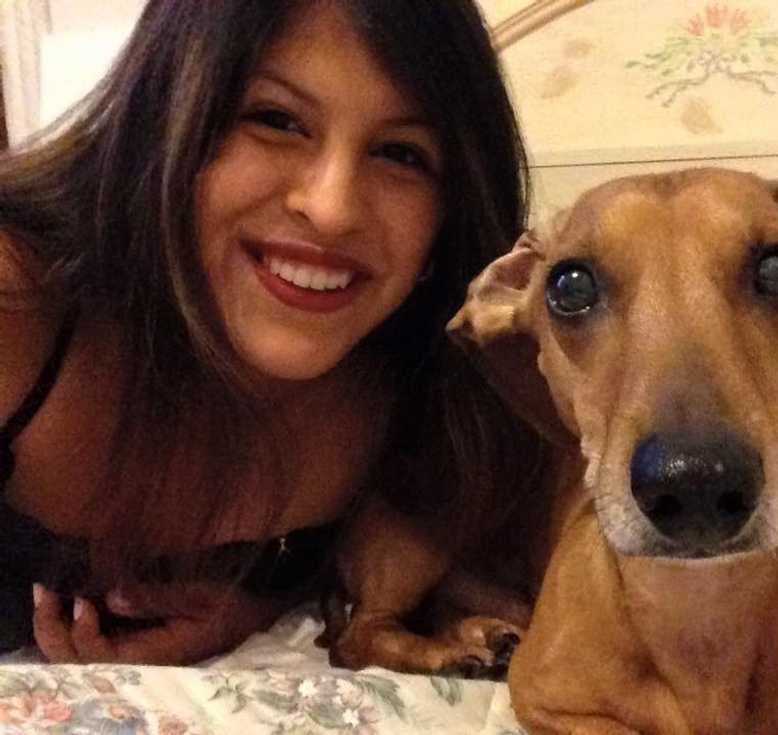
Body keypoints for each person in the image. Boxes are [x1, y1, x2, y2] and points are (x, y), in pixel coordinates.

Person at [0, 0, 544, 665]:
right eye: (276, 120)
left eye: (401, 153)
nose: (332, 208)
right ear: (163, 124)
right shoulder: (19, 304)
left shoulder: (428, 388)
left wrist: (253, 603)